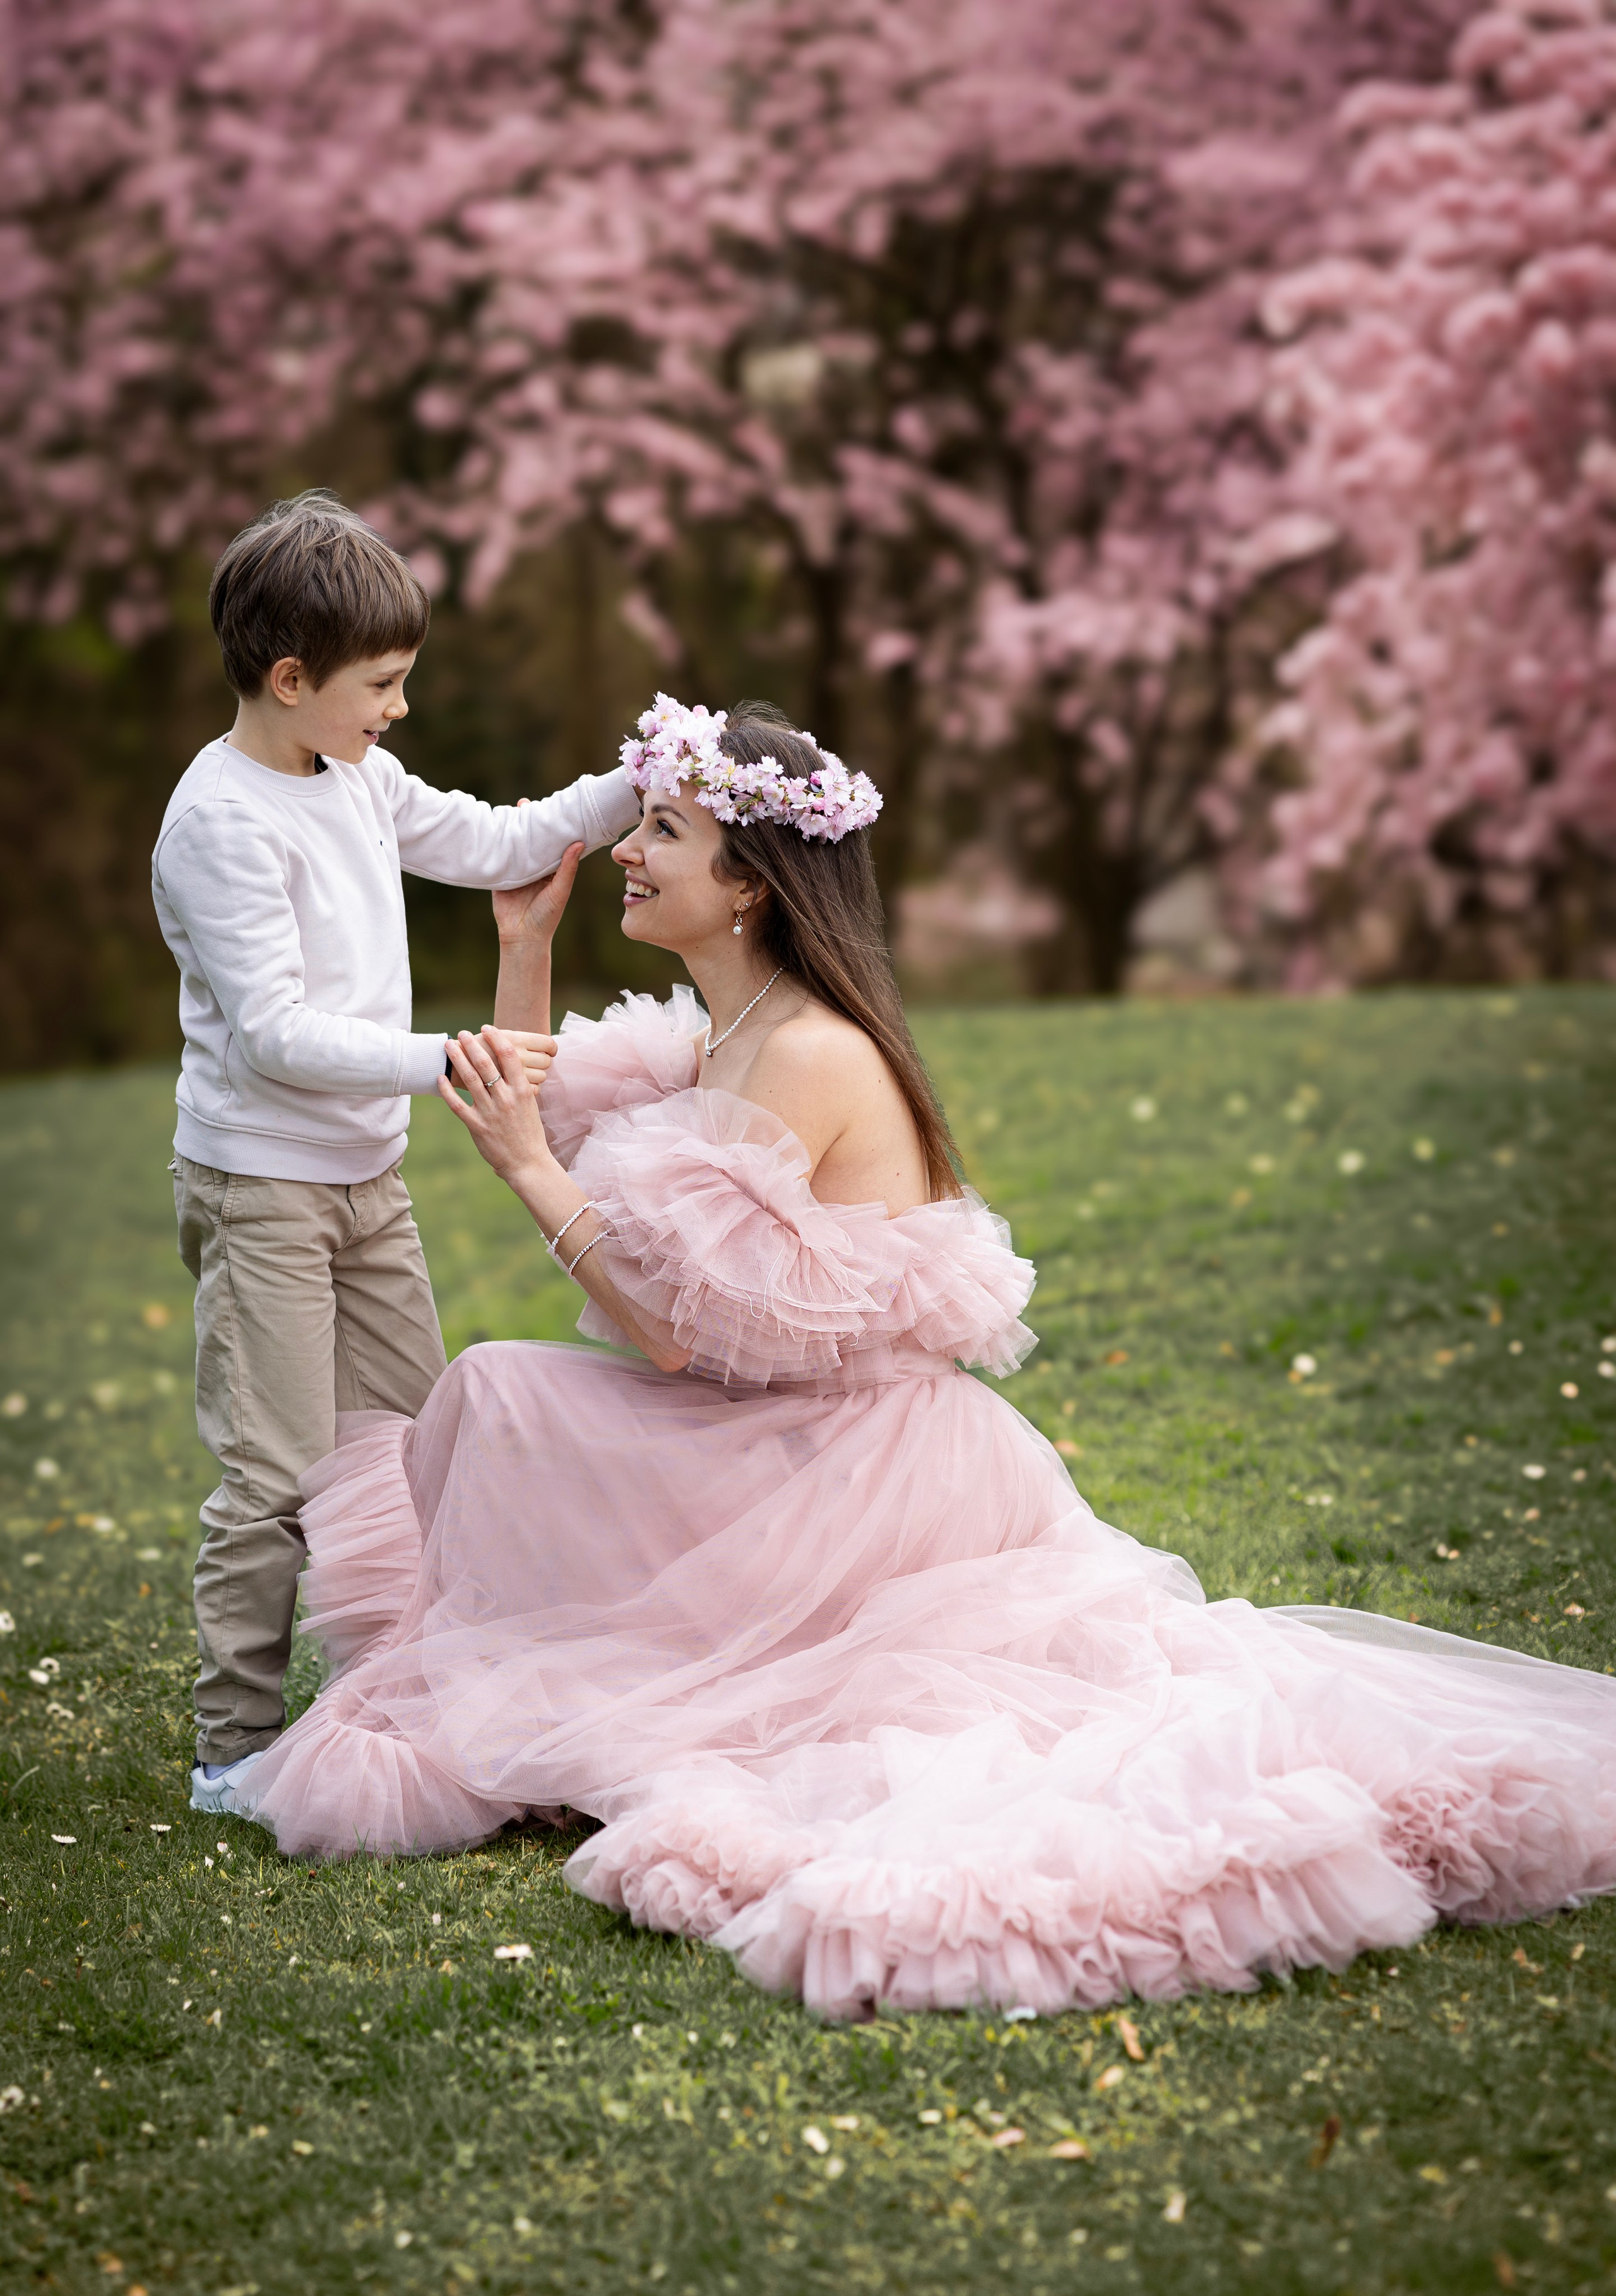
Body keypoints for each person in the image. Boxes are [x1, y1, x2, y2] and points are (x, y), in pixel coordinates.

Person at [242, 694, 1616, 2021]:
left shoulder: (809, 1051)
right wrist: (523, 941)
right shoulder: (725, 1030)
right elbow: (539, 1114)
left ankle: (588, 1693)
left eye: (661, 830)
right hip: (769, 1428)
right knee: (502, 1390)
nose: (625, 851)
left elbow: (662, 1321)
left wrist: (536, 1175)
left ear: (747, 886)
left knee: (502, 1389)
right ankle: (563, 1688)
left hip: (856, 1470)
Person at [153, 490, 641, 1818]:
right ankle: (233, 1746)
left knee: (412, 1448)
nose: (399, 711)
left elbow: (494, 840)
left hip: (366, 1181)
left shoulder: (353, 775)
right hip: (264, 1185)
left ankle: (405, 1693)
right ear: (291, 677)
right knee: (276, 1469)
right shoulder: (219, 825)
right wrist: (450, 1055)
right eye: (381, 685)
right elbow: (272, 1036)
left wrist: (634, 780)